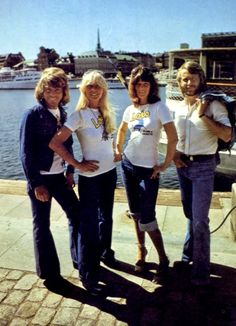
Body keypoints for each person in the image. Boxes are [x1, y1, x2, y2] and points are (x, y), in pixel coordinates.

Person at [49, 70, 118, 295]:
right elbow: (56, 143)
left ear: (104, 90)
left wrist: (117, 152)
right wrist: (77, 165)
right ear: (83, 89)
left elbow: (108, 140)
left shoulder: (105, 111)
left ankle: (104, 254)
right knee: (88, 227)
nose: (94, 90)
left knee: (105, 217)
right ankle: (88, 276)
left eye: (98, 86)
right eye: (90, 86)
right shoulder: (78, 115)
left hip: (109, 173)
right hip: (91, 178)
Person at [20, 67, 81, 293]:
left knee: (77, 214)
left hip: (59, 177)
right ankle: (49, 273)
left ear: (64, 92)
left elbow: (68, 144)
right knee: (42, 225)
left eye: (58, 90)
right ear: (42, 90)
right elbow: (25, 153)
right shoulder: (32, 114)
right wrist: (36, 183)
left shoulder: (63, 114)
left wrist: (69, 171)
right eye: (50, 90)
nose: (54, 94)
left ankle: (79, 259)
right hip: (42, 180)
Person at [115, 65, 178, 282]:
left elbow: (173, 138)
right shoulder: (130, 109)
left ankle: (163, 258)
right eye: (138, 84)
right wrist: (117, 149)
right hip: (128, 165)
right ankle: (141, 251)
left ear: (151, 86)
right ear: (133, 86)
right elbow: (122, 130)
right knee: (135, 212)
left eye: (146, 83)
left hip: (149, 170)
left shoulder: (159, 107)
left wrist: (165, 164)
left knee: (148, 216)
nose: (142, 88)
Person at [173, 61, 232, 287]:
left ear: (201, 80)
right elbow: (179, 137)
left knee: (200, 221)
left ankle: (201, 272)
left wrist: (204, 115)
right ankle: (188, 257)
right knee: (190, 214)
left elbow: (227, 135)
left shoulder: (213, 104)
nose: (189, 83)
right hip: (183, 167)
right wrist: (176, 155)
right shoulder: (179, 107)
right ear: (179, 82)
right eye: (184, 79)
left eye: (193, 78)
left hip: (204, 167)